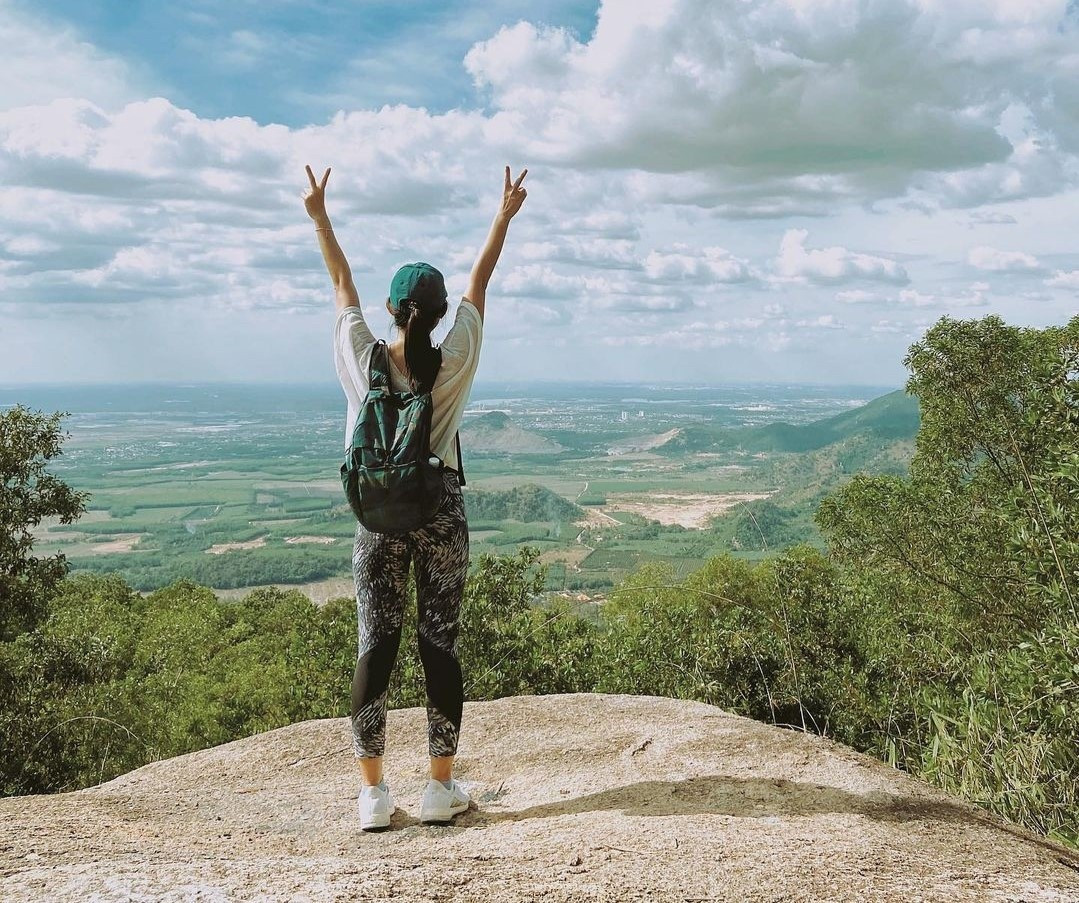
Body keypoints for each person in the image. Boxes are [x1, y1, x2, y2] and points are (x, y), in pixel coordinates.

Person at [303, 162, 528, 829]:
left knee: (375, 639)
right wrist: (502, 216)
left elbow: (339, 282)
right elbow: (478, 286)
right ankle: (439, 786)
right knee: (438, 642)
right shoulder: (453, 358)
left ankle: (372, 794)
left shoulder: (360, 353)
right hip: (438, 509)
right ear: (432, 312)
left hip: (374, 515)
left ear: (392, 311)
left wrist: (319, 215)